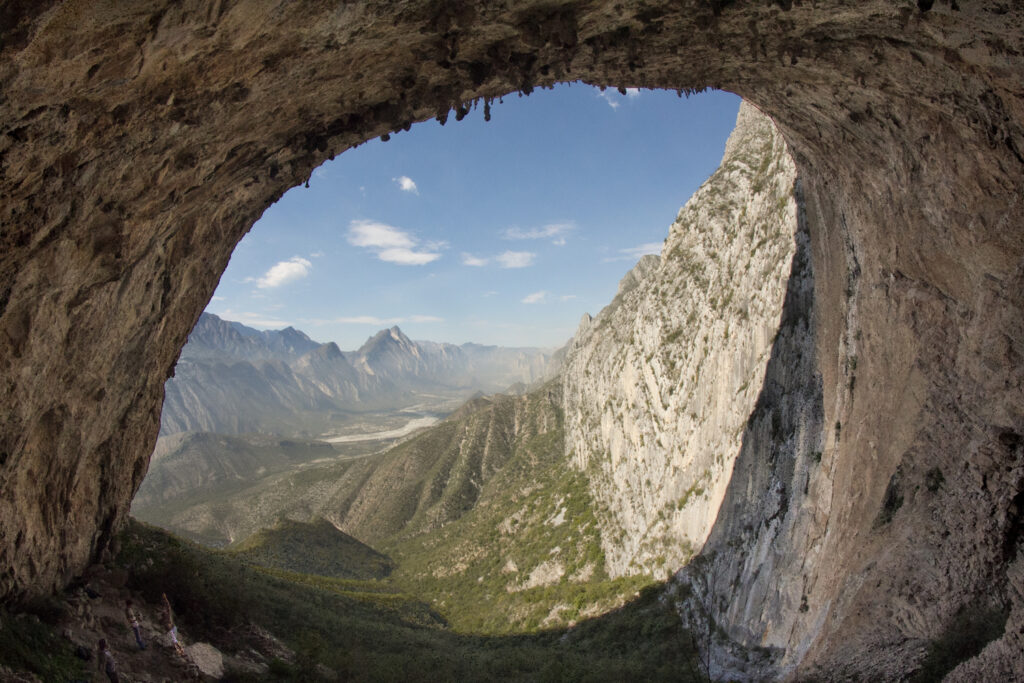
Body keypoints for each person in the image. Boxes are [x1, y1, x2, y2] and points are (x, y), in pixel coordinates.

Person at [161, 592, 185, 657]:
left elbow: (168, 607)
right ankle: (181, 651)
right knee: (175, 641)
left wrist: (165, 599)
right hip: (172, 629)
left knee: (175, 641)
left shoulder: (167, 618)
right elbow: (168, 607)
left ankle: (180, 651)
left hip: (172, 630)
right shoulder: (167, 619)